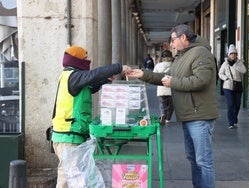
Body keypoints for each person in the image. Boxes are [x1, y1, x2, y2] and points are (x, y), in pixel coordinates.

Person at [126, 24, 218, 188]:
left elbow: (200, 80)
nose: (171, 44)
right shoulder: (181, 56)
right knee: (193, 158)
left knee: (203, 161)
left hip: (200, 116)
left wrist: (173, 82)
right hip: (188, 115)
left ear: (184, 38)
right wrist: (143, 74)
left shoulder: (201, 53)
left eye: (173, 40)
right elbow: (166, 77)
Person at [51, 45, 130, 188]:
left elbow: (91, 86)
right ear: (77, 60)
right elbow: (92, 75)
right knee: (67, 178)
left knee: (76, 177)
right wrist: (118, 67)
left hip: (73, 135)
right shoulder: (73, 76)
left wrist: (106, 79)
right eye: (85, 58)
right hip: (67, 137)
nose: (88, 61)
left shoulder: (74, 77)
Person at [218, 44, 246, 129]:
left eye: (234, 53)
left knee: (237, 104)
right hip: (228, 86)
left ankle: (234, 118)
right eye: (231, 53)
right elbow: (220, 73)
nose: (233, 55)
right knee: (231, 104)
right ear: (229, 54)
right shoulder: (225, 63)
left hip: (238, 86)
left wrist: (234, 65)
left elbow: (244, 71)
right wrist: (225, 78)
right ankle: (231, 122)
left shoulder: (239, 62)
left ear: (236, 54)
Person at [153, 50, 174, 125]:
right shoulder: (174, 65)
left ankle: (162, 114)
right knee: (171, 105)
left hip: (161, 89)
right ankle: (168, 119)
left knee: (162, 104)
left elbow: (154, 75)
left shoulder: (158, 65)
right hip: (172, 88)